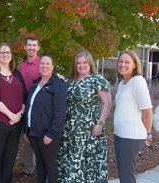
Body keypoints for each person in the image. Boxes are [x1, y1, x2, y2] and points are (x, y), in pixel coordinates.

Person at [57, 50, 112, 182]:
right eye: (78, 63)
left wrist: (100, 123)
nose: (81, 65)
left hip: (89, 129)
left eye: (84, 62)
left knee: (87, 160)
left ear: (90, 63)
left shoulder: (97, 79)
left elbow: (107, 102)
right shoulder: (69, 80)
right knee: (71, 158)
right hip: (70, 129)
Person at [0, 43, 27, 183]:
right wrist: (10, 114)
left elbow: (25, 96)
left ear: (11, 55)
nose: (5, 55)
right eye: (2, 52)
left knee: (10, 157)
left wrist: (19, 114)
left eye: (8, 52)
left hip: (16, 123)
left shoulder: (17, 73)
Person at [24, 54, 67, 183]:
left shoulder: (58, 85)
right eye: (42, 63)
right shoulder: (35, 85)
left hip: (48, 134)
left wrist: (51, 133)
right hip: (34, 132)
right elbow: (29, 108)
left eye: (48, 64)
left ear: (52, 67)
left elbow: (60, 112)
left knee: (50, 164)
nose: (45, 66)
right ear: (39, 66)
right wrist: (27, 130)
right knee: (40, 162)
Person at [114, 50, 153, 183]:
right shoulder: (122, 84)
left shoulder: (138, 81)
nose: (122, 64)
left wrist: (148, 132)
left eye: (127, 62)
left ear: (135, 65)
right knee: (123, 173)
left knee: (126, 176)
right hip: (120, 134)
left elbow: (147, 111)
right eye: (120, 61)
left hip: (131, 135)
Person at [14, 36, 41, 180]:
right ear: (24, 47)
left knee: (41, 140)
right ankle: (29, 169)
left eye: (34, 45)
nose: (31, 48)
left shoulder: (42, 64)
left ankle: (43, 169)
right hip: (23, 108)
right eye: (28, 45)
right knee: (27, 140)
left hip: (38, 109)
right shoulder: (22, 67)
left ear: (38, 48)